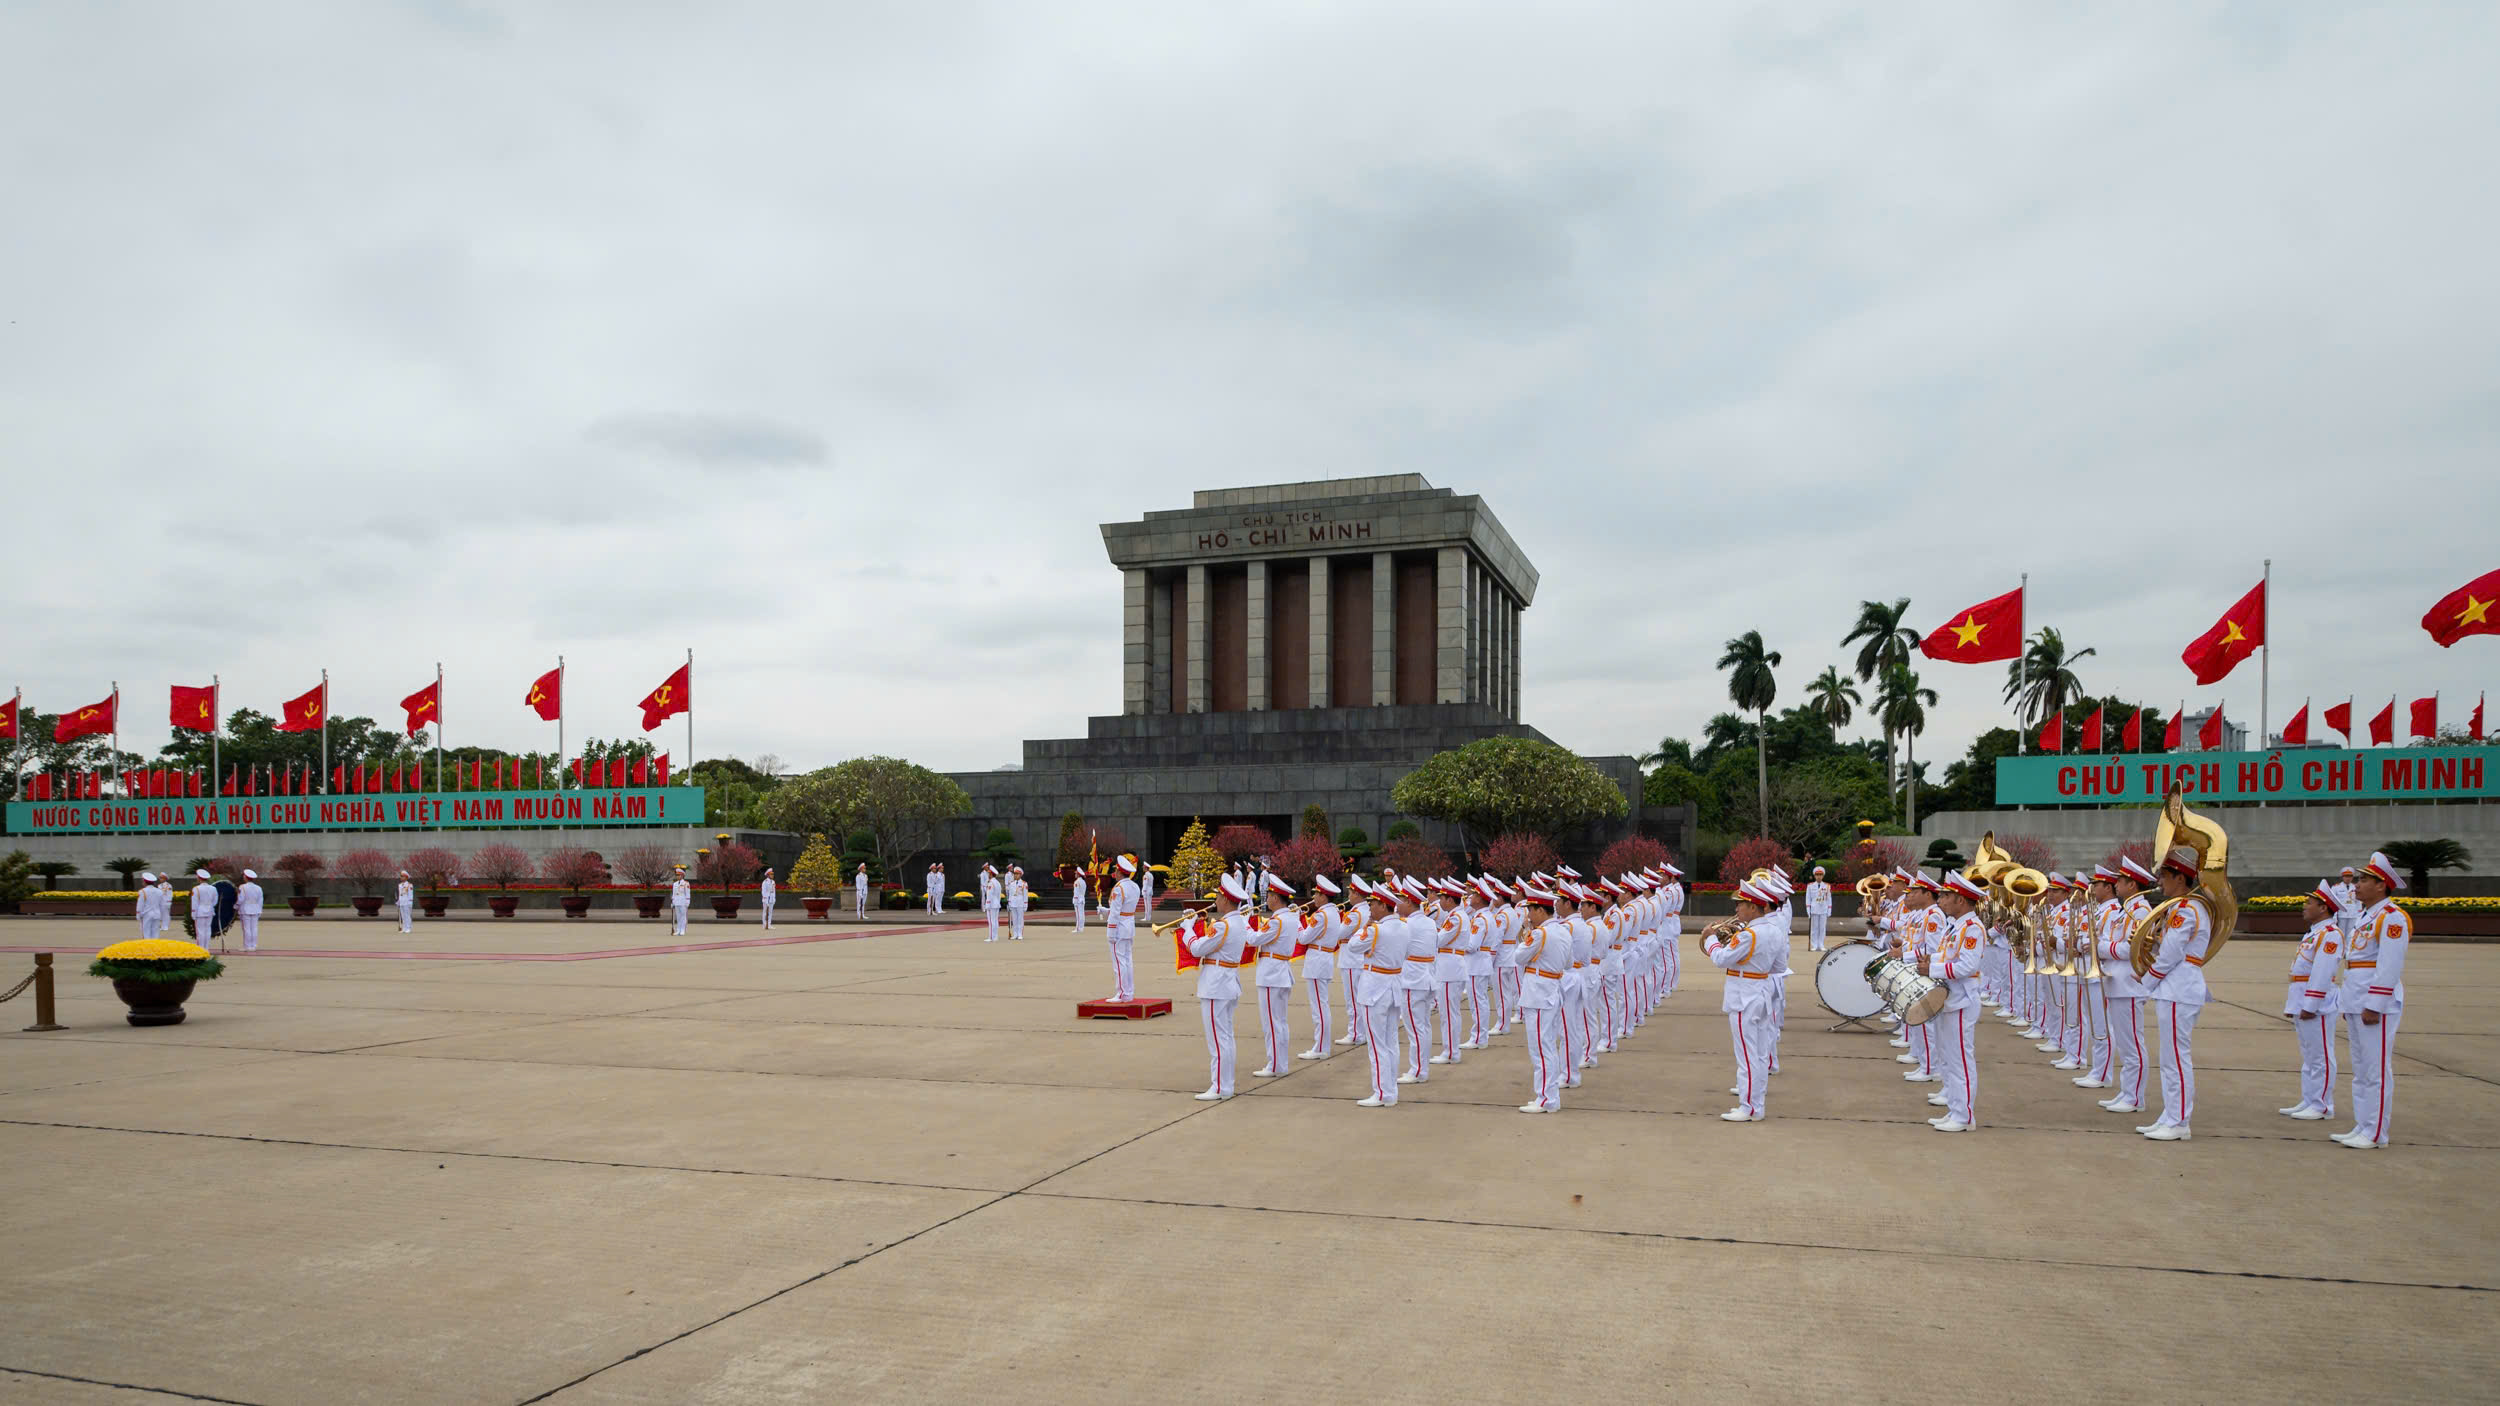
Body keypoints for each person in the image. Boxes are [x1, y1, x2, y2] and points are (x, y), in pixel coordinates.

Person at [2331, 852, 2411, 1150]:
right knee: (2362, 1069)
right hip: (2356, 1000)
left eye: (2364, 880)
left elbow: (2389, 966)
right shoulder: (2367, 916)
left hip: (2376, 1004)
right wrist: (2349, 1003)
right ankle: (2363, 1125)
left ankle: (2376, 1132)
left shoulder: (2392, 918)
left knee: (2375, 1069)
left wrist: (2374, 1005)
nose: (2357, 885)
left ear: (2382, 885)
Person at [2137, 846, 2214, 1142]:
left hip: (2178, 988)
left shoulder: (2186, 909)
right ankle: (2171, 1115)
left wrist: (2145, 983)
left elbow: (2169, 955)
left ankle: (2179, 1120)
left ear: (2180, 878)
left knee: (2176, 1059)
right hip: (2176, 987)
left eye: (2166, 877)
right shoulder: (2182, 908)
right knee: (2170, 1058)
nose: (2161, 883)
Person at [1704, 882, 1780, 1122]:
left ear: (1754, 908)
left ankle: (1749, 1107)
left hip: (1744, 995)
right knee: (1757, 1053)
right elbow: (1778, 966)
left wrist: (1710, 940)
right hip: (1761, 990)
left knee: (1746, 1055)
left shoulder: (1749, 934)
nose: (1737, 909)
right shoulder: (1775, 931)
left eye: (1741, 905)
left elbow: (1721, 958)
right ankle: (1756, 1102)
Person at [1924, 873, 1989, 1132]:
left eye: (1946, 896)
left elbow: (1967, 966)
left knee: (1961, 1057)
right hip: (1949, 997)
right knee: (1949, 1056)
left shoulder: (1973, 928)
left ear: (1960, 900)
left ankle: (1964, 1115)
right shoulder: (1955, 926)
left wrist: (1932, 970)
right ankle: (1954, 1108)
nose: (1941, 900)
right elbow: (1943, 957)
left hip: (1962, 999)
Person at [1185, 874, 1256, 1101]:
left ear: (1225, 899)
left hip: (1216, 985)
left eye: (1218, 895)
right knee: (1225, 1038)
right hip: (1227, 982)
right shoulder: (1237, 922)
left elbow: (1197, 949)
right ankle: (1226, 1085)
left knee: (1217, 1039)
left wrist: (1187, 929)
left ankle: (1219, 1087)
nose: (1215, 899)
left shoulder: (1223, 926)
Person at [2095, 858, 2157, 1116]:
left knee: (2132, 1043)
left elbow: (2133, 948)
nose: (2115, 885)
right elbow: (2113, 942)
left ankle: (2135, 1097)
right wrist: (2107, 947)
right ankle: (2127, 1092)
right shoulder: (2125, 911)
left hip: (2129, 983)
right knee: (2124, 1042)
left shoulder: (2140, 911)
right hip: (2117, 981)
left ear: (2132, 884)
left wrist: (2103, 948)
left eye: (2120, 881)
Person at [2283, 881, 2342, 1122]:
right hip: (2302, 997)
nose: (2304, 906)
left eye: (2310, 903)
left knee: (2320, 1055)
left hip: (2317, 1002)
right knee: (2309, 1054)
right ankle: (2310, 1099)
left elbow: (2322, 972)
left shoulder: (2330, 935)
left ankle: (2322, 1104)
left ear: (2324, 907)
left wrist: (2310, 1005)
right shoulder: (2315, 933)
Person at [1354, 877, 1408, 1108]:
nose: (1370, 908)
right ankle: (1391, 1091)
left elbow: (1354, 944)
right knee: (1391, 1042)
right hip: (1394, 984)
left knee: (1376, 1044)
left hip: (1375, 988)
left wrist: (1365, 927)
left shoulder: (1376, 930)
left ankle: (1381, 1092)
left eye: (1373, 904)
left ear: (1383, 906)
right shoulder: (1404, 926)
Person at [1514, 884, 1569, 1113]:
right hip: (1552, 988)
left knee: (1540, 1047)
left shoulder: (1540, 934)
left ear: (1539, 910)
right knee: (1547, 1046)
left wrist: (1526, 933)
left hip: (1539, 992)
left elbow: (1519, 956)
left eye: (1530, 909)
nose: (1528, 915)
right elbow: (1568, 962)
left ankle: (1546, 1098)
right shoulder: (1563, 931)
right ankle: (1548, 1095)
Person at [1251, 874, 1302, 1076]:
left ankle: (1275, 1065)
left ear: (1275, 898)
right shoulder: (1290, 917)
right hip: (1280, 972)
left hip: (1272, 973)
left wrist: (1246, 924)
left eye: (1270, 894)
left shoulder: (1277, 921)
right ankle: (1280, 1064)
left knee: (1271, 1023)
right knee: (1280, 1021)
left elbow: (1255, 939)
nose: (1268, 898)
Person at [1299, 875, 1343, 1060]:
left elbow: (1303, 938)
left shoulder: (1320, 915)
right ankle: (1321, 1046)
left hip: (1317, 960)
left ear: (1323, 896)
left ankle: (1321, 1047)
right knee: (1321, 1004)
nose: (1314, 898)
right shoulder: (1333, 913)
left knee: (1319, 1006)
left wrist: (1297, 923)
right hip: (1323, 958)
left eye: (1316, 894)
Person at [1104, 855, 1140, 1002]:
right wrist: (1105, 910)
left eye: (1116, 871)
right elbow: (1126, 909)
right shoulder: (1134, 886)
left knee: (1119, 962)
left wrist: (1110, 932)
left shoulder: (1119, 888)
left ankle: (1121, 993)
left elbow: (1115, 913)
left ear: (1119, 872)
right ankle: (1129, 992)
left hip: (1119, 927)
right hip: (1129, 926)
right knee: (1127, 960)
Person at [1804, 866, 1833, 951]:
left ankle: (1821, 944)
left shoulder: (1827, 886)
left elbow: (1829, 898)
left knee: (1822, 928)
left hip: (1823, 909)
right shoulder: (1810, 886)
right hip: (1814, 909)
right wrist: (1808, 910)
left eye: (1820, 875)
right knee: (1814, 928)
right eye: (1817, 875)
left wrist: (1829, 909)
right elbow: (1808, 898)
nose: (1819, 876)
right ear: (1814, 876)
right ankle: (1814, 945)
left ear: (1823, 876)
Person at [237, 868, 264, 953]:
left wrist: (235, 906)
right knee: (254, 928)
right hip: (255, 909)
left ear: (246, 877)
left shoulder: (242, 887)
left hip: (245, 909)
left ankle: (247, 946)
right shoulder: (258, 888)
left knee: (246, 928)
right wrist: (260, 910)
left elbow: (240, 899)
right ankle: (253, 945)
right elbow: (260, 900)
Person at [1006, 865, 1030, 940]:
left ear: (1020, 875)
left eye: (1017, 874)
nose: (1015, 875)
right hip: (1013, 903)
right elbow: (1010, 894)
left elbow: (1025, 895)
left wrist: (1025, 904)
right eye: (1014, 874)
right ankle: (1015, 934)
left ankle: (1020, 934)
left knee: (1020, 919)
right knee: (1014, 919)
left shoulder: (1024, 883)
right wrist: (1009, 903)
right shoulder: (1011, 883)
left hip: (1020, 903)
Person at [135, 872, 160, 941]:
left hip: (146, 914)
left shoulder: (142, 891)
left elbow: (140, 905)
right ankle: (155, 948)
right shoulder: (159, 891)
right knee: (155, 933)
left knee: (146, 933)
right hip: (157, 914)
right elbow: (161, 904)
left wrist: (138, 915)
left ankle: (148, 949)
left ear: (144, 881)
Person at [980, 864, 1002, 942]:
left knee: (991, 922)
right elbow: (999, 895)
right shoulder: (998, 883)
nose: (988, 874)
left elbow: (989, 895)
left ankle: (991, 937)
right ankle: (995, 937)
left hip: (991, 904)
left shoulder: (990, 883)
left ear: (991, 874)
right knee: (995, 921)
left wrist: (987, 905)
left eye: (989, 873)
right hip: (996, 904)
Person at [669, 865, 692, 936]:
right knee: (678, 917)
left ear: (682, 876)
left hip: (683, 902)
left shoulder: (686, 883)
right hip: (676, 902)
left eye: (679, 875)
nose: (677, 876)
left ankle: (682, 930)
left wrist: (687, 901)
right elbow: (674, 894)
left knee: (683, 916)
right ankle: (678, 930)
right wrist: (673, 902)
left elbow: (687, 893)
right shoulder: (675, 884)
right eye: (677, 875)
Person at [393, 870, 416, 935]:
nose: (401, 877)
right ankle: (404, 928)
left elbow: (410, 894)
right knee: (403, 916)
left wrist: (410, 903)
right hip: (402, 902)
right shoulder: (400, 885)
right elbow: (400, 894)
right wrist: (398, 902)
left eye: (402, 876)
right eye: (401, 876)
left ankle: (408, 928)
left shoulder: (409, 885)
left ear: (406, 877)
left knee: (407, 916)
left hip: (407, 902)